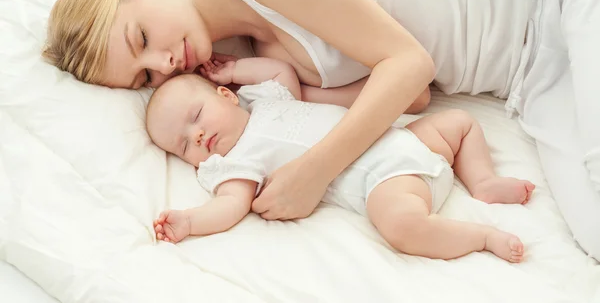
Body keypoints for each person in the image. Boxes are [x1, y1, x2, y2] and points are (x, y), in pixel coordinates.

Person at [41, 0, 600, 259]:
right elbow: (416, 98)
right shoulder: (246, 69)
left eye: (141, 36)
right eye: (145, 76)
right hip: (525, 75)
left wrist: (314, 171)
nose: (164, 63)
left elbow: (408, 64)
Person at [147, 56, 534, 262]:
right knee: (400, 225)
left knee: (461, 122)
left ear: (226, 95)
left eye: (196, 117)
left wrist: (234, 69)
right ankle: (481, 236)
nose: (196, 135)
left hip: (403, 139)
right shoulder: (235, 164)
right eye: (184, 145)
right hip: (385, 181)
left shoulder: (264, 99)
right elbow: (230, 206)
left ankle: (482, 181)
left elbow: (280, 69)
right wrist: (190, 221)